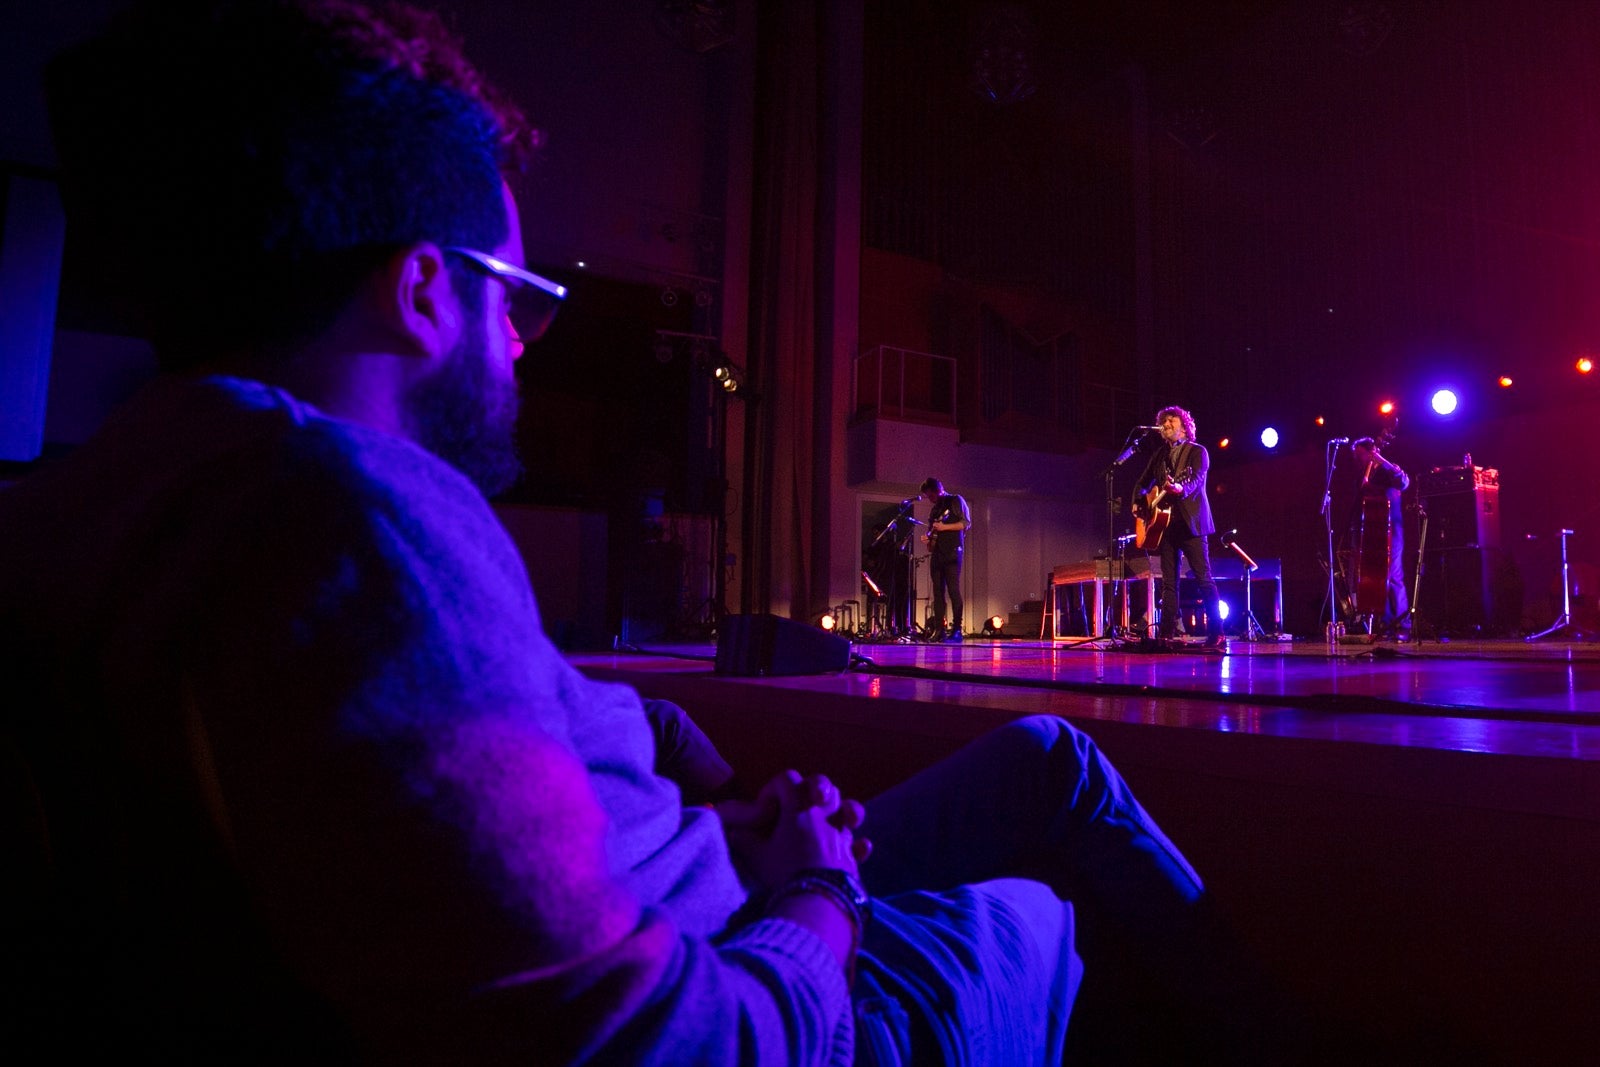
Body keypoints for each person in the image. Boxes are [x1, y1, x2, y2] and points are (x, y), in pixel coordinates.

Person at [2, 2, 1254, 1062]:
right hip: (770, 973)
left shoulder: (115, 497)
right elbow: (665, 1035)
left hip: (711, 873)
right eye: (520, 300)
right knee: (1036, 901)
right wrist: (816, 888)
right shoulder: (354, 529)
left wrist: (700, 780)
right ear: (425, 287)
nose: (523, 345)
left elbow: (466, 754)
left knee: (1046, 753)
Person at [1134, 406, 1224, 648]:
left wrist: (1180, 488)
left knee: (1204, 578)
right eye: (1163, 422)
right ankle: (1165, 633)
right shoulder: (1160, 455)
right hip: (1165, 526)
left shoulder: (1198, 451)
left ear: (1184, 426)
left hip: (1192, 523)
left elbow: (1195, 480)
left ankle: (1217, 632)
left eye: (1170, 420)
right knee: (1168, 583)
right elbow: (1142, 483)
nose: (1165, 424)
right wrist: (1138, 502)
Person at [1351, 436, 1411, 637]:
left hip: (1392, 528)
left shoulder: (1386, 469)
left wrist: (1380, 459)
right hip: (1373, 530)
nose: (1358, 459)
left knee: (1394, 576)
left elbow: (1403, 482)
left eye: (1360, 455)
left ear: (1371, 452)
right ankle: (1385, 623)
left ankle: (1403, 624)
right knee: (1378, 578)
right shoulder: (1365, 475)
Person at [918, 476, 970, 641]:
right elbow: (932, 530)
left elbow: (965, 523)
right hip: (938, 553)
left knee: (953, 590)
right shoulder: (934, 510)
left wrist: (944, 527)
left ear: (939, 490)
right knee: (937, 592)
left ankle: (957, 630)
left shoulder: (955, 500)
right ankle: (939, 630)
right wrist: (927, 537)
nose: (930, 499)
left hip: (953, 551)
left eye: (931, 496)